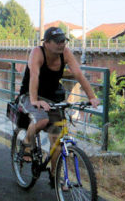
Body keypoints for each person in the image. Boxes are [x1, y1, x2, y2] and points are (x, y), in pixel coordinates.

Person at [18, 27, 101, 173]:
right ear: (47, 43)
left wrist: (92, 97)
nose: (62, 44)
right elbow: (34, 76)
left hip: (53, 98)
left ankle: (54, 175)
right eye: (57, 41)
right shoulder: (37, 52)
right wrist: (34, 100)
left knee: (56, 141)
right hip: (30, 95)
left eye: (63, 41)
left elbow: (79, 75)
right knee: (41, 121)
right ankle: (26, 143)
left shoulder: (66, 53)